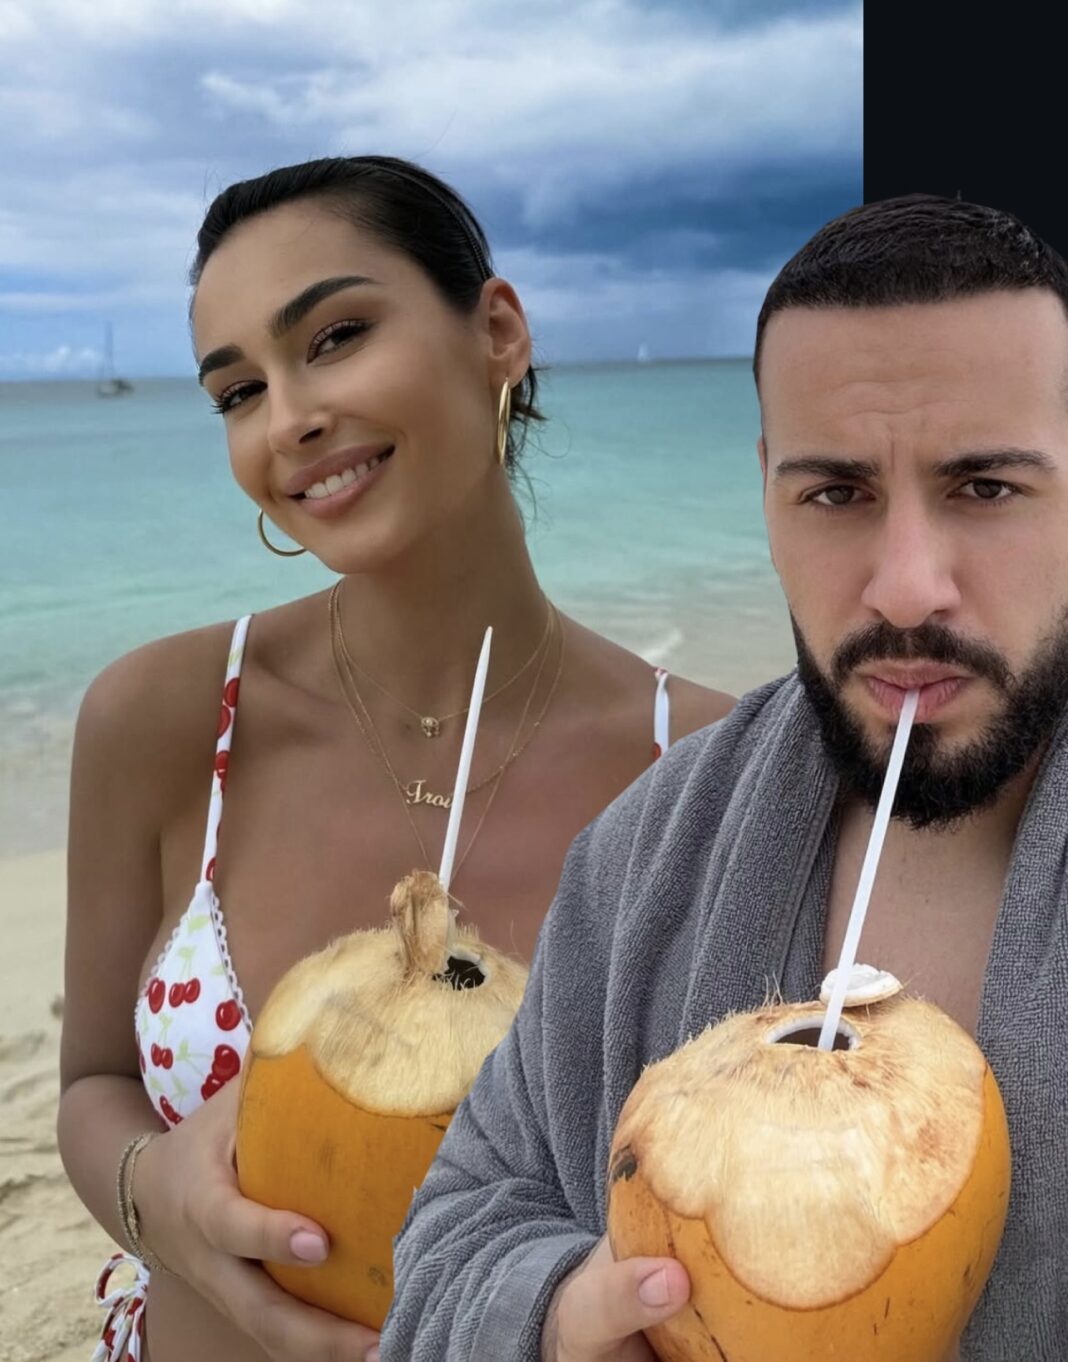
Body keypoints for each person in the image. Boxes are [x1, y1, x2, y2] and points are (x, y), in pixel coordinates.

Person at [56, 155, 734, 1362]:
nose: (288, 419)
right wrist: (162, 1199)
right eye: (238, 391)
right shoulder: (166, 721)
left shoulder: (703, 770)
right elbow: (92, 1084)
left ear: (498, 331)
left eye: (336, 337)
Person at [382, 193, 1068, 1362]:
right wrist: (558, 1320)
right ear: (766, 488)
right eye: (835, 494)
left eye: (986, 488)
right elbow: (459, 1224)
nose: (906, 587)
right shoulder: (651, 850)